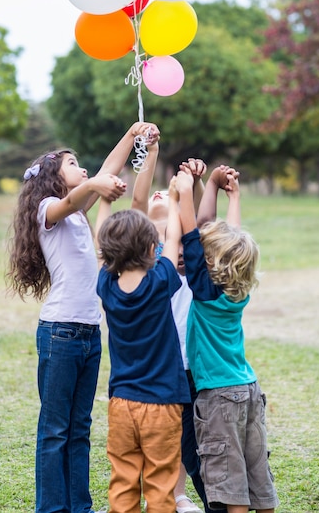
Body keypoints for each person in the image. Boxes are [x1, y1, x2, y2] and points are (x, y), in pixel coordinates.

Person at [6, 121, 159, 513]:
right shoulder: (48, 211)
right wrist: (93, 187)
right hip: (60, 332)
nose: (84, 169)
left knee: (80, 429)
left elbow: (103, 173)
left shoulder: (77, 215)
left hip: (89, 334)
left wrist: (132, 136)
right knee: (55, 430)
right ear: (55, 178)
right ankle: (51, 508)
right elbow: (74, 199)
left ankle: (79, 507)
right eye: (73, 164)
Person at [175, 165, 279, 513]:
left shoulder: (202, 291)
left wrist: (185, 190)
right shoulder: (239, 291)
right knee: (257, 474)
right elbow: (232, 240)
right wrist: (231, 194)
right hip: (249, 388)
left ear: (208, 262)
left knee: (230, 483)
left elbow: (190, 233)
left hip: (218, 395)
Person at [95, 175, 191, 513]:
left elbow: (99, 246)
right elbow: (175, 237)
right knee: (161, 484)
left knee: (122, 480)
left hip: (121, 402)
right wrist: (177, 199)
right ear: (153, 249)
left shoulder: (107, 286)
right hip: (163, 403)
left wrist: (104, 199)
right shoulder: (160, 280)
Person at [133, 154, 222, 513]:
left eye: (163, 193)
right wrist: (151, 153)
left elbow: (201, 216)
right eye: (157, 193)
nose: (158, 193)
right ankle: (157, 489)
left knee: (187, 435)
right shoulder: (141, 245)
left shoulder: (187, 240)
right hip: (158, 357)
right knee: (160, 432)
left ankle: (179, 494)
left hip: (190, 356)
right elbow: (139, 201)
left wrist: (197, 182)